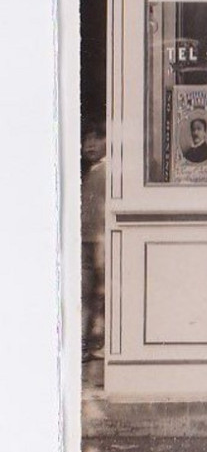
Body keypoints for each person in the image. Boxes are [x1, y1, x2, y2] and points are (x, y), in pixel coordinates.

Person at [81, 120, 106, 362]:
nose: (89, 144)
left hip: (99, 241)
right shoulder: (91, 171)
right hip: (88, 240)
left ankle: (94, 342)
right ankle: (86, 344)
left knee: (98, 292)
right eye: (86, 140)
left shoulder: (105, 170)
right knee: (89, 293)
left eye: (95, 139)